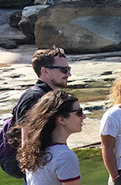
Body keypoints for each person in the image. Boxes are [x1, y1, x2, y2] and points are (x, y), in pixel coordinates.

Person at [1, 47, 71, 178]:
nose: (68, 74)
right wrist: (32, 172)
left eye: (68, 69)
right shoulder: (34, 97)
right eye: (64, 70)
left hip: (44, 165)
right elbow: (26, 135)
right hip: (37, 169)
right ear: (45, 70)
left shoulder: (47, 95)